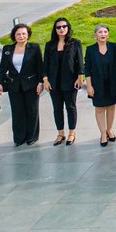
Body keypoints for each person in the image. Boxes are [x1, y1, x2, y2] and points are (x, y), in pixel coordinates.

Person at [0, 23, 43, 146]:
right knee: (17, 112)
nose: (21, 36)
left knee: (32, 111)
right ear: (14, 36)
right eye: (18, 34)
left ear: (28, 35)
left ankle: (32, 136)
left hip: (31, 84)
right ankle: (19, 138)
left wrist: (40, 82)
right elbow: (2, 68)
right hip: (14, 85)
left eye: (24, 34)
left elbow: (40, 67)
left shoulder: (35, 48)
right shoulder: (7, 49)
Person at [42, 17, 83, 146]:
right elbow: (45, 64)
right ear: (55, 29)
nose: (61, 29)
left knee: (71, 107)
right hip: (54, 82)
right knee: (57, 108)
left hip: (70, 81)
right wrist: (45, 80)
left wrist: (80, 76)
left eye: (64, 26)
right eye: (58, 27)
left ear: (68, 28)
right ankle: (60, 133)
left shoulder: (75, 43)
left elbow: (80, 62)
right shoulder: (50, 45)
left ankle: (72, 132)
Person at [84, 25, 116, 146]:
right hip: (97, 84)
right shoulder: (90, 49)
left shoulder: (114, 47)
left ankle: (109, 130)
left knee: (111, 107)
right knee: (100, 109)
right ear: (95, 35)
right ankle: (102, 133)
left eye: (105, 32)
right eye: (100, 32)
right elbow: (87, 69)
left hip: (112, 82)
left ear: (108, 34)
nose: (102, 34)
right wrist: (89, 86)